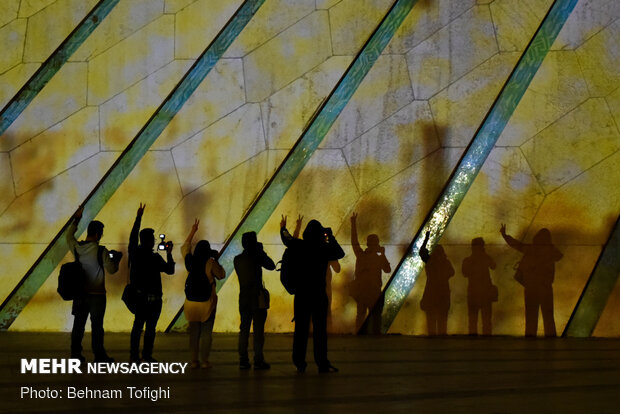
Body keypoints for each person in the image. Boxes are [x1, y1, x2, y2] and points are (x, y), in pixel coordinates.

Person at [280, 215, 345, 373]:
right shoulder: (323, 249)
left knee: (300, 330)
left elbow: (287, 239)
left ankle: (299, 362)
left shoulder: (299, 246)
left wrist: (283, 228)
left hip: (301, 295)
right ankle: (322, 362)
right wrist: (329, 236)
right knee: (320, 331)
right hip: (318, 295)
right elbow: (339, 253)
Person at [66, 206, 121, 363]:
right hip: (97, 295)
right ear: (98, 234)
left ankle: (75, 354)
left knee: (78, 326)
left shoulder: (77, 247)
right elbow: (112, 270)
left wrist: (77, 219)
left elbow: (69, 236)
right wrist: (115, 259)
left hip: (80, 294)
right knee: (97, 327)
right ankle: (99, 355)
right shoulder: (101, 250)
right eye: (101, 234)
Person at [128, 203, 175, 362]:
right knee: (150, 329)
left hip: (140, 299)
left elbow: (132, 238)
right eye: (153, 239)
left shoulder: (135, 254)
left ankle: (134, 356)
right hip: (154, 300)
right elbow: (170, 270)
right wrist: (169, 254)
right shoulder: (155, 258)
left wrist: (138, 217)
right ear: (148, 241)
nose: (155, 241)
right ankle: (146, 355)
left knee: (137, 327)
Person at [500, 224, 562, 337]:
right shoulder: (550, 251)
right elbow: (559, 256)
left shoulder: (531, 249)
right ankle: (550, 338)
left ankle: (530, 338)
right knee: (548, 317)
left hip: (531, 288)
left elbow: (517, 245)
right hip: (545, 288)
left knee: (531, 316)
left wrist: (505, 236)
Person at [182, 219, 225, 369]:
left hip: (191, 303)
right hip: (207, 303)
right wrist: (216, 260)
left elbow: (185, 248)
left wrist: (193, 231)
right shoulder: (210, 262)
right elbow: (221, 275)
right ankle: (205, 361)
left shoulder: (190, 261)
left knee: (194, 333)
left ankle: (194, 361)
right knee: (206, 333)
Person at [234, 231, 275, 370]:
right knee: (258, 330)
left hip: (243, 297)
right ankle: (258, 359)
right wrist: (261, 252)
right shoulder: (257, 257)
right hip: (257, 297)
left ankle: (243, 360)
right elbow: (271, 265)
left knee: (244, 329)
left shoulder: (237, 259)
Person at [293, 215, 340, 332]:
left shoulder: (302, 249)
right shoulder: (325, 250)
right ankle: (325, 334)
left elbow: (292, 244)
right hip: (322, 291)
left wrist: (297, 227)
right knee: (323, 318)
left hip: (304, 290)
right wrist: (329, 240)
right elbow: (337, 267)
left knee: (304, 320)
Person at [350, 212, 391, 334]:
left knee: (373, 318)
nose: (374, 246)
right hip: (365, 292)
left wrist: (382, 255)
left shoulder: (374, 257)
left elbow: (387, 270)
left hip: (372, 292)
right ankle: (364, 335)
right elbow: (354, 242)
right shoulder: (362, 255)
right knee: (363, 317)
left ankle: (369, 336)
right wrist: (353, 224)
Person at [419, 231, 454, 335]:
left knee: (432, 323)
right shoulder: (443, 262)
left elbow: (422, 252)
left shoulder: (430, 261)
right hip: (442, 294)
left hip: (432, 294)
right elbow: (452, 273)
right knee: (441, 322)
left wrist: (426, 239)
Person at [462, 237, 497, 335]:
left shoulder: (470, 260)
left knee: (476, 322)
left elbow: (493, 265)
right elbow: (493, 266)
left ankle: (476, 343)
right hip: (479, 294)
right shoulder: (473, 260)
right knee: (481, 321)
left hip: (477, 294)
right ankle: (484, 342)